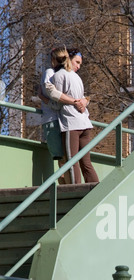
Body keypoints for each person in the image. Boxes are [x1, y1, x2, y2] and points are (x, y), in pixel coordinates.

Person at [50, 46, 99, 184]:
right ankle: (96, 190)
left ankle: (75, 193)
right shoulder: (77, 78)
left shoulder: (59, 75)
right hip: (85, 124)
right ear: (69, 59)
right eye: (77, 62)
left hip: (71, 124)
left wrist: (47, 100)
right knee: (86, 163)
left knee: (71, 162)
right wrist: (83, 101)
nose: (78, 66)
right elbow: (82, 97)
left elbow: (58, 100)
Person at [39, 47, 88, 183]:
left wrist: (83, 100)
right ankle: (66, 191)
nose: (78, 66)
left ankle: (67, 190)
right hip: (54, 120)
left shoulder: (69, 76)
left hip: (63, 120)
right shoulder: (51, 73)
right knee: (64, 160)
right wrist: (76, 102)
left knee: (67, 161)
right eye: (77, 62)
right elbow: (56, 98)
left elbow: (71, 96)